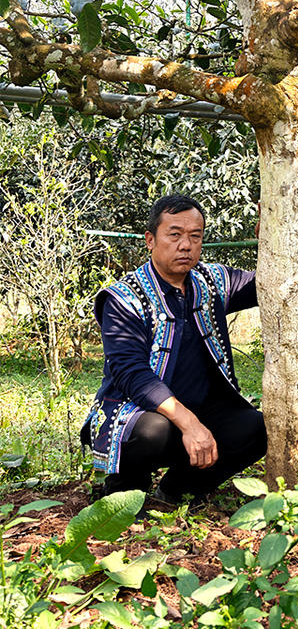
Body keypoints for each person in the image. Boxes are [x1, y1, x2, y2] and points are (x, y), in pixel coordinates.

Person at [81, 194, 267, 504]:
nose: (185, 245)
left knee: (257, 428)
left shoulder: (212, 281)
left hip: (203, 410)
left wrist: (270, 240)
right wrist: (189, 423)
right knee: (152, 431)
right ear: (150, 240)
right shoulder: (124, 298)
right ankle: (123, 494)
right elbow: (132, 374)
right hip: (137, 413)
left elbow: (266, 285)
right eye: (175, 234)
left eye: (195, 236)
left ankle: (176, 491)